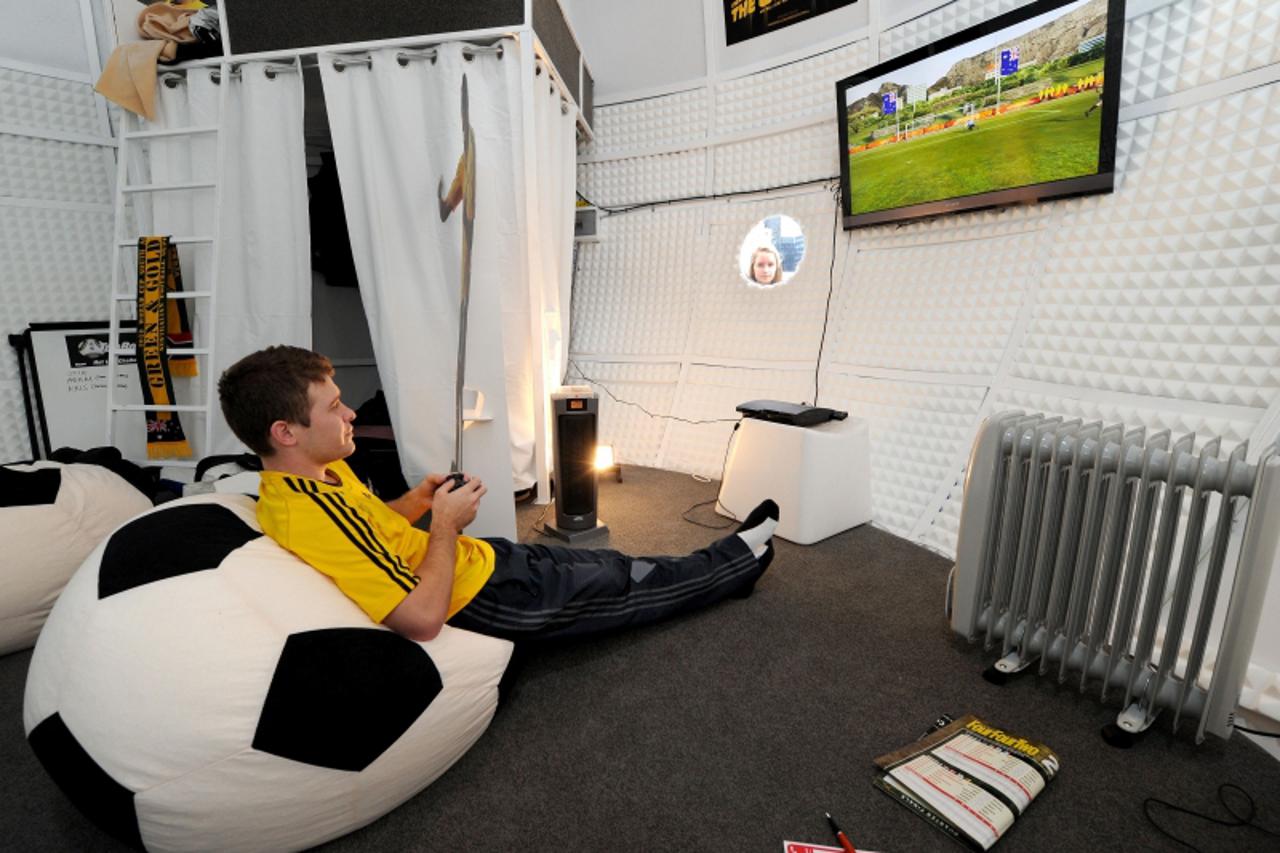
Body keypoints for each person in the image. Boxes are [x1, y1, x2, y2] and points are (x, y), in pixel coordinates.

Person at [217, 346, 779, 643]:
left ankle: (723, 567)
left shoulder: (320, 476)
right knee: (625, 585)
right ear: (285, 433)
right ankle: (739, 561)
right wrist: (443, 523)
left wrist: (417, 501)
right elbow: (420, 621)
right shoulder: (301, 514)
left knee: (610, 562)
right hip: (486, 599)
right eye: (333, 407)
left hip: (485, 561)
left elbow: (371, 527)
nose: (351, 413)